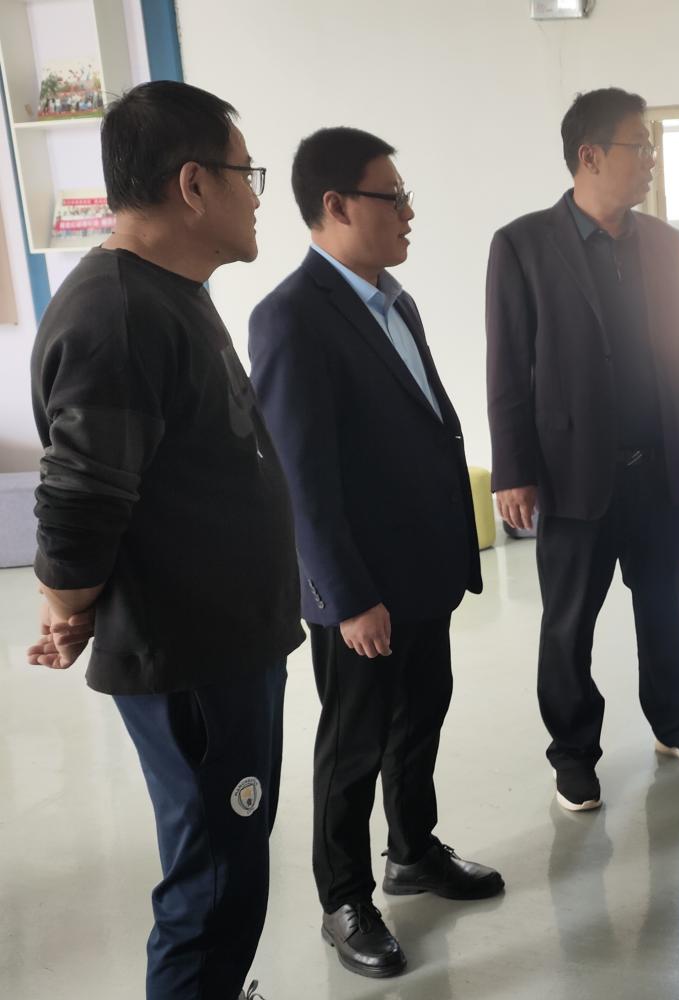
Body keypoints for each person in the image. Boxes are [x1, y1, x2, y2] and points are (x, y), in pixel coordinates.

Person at [28, 80, 298, 1000]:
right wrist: (66, 602)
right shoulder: (117, 313)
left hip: (225, 647)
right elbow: (77, 501)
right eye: (245, 173)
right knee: (212, 884)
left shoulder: (166, 292)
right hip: (192, 661)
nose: (254, 194)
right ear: (193, 184)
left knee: (230, 857)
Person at [248, 128, 500, 979]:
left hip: (423, 570)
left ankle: (413, 851)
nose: (409, 213)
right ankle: (344, 898)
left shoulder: (395, 302)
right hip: (361, 587)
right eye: (393, 197)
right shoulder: (290, 316)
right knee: (353, 744)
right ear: (336, 205)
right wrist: (347, 596)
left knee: (421, 715)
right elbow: (301, 478)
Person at [486, 87, 679, 812]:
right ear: (590, 155)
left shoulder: (664, 244)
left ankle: (676, 725)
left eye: (651, 147)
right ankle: (573, 753)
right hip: (571, 477)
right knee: (568, 627)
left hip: (657, 469)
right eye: (639, 146)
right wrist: (514, 470)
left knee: (664, 610)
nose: (650, 159)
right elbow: (508, 366)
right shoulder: (522, 244)